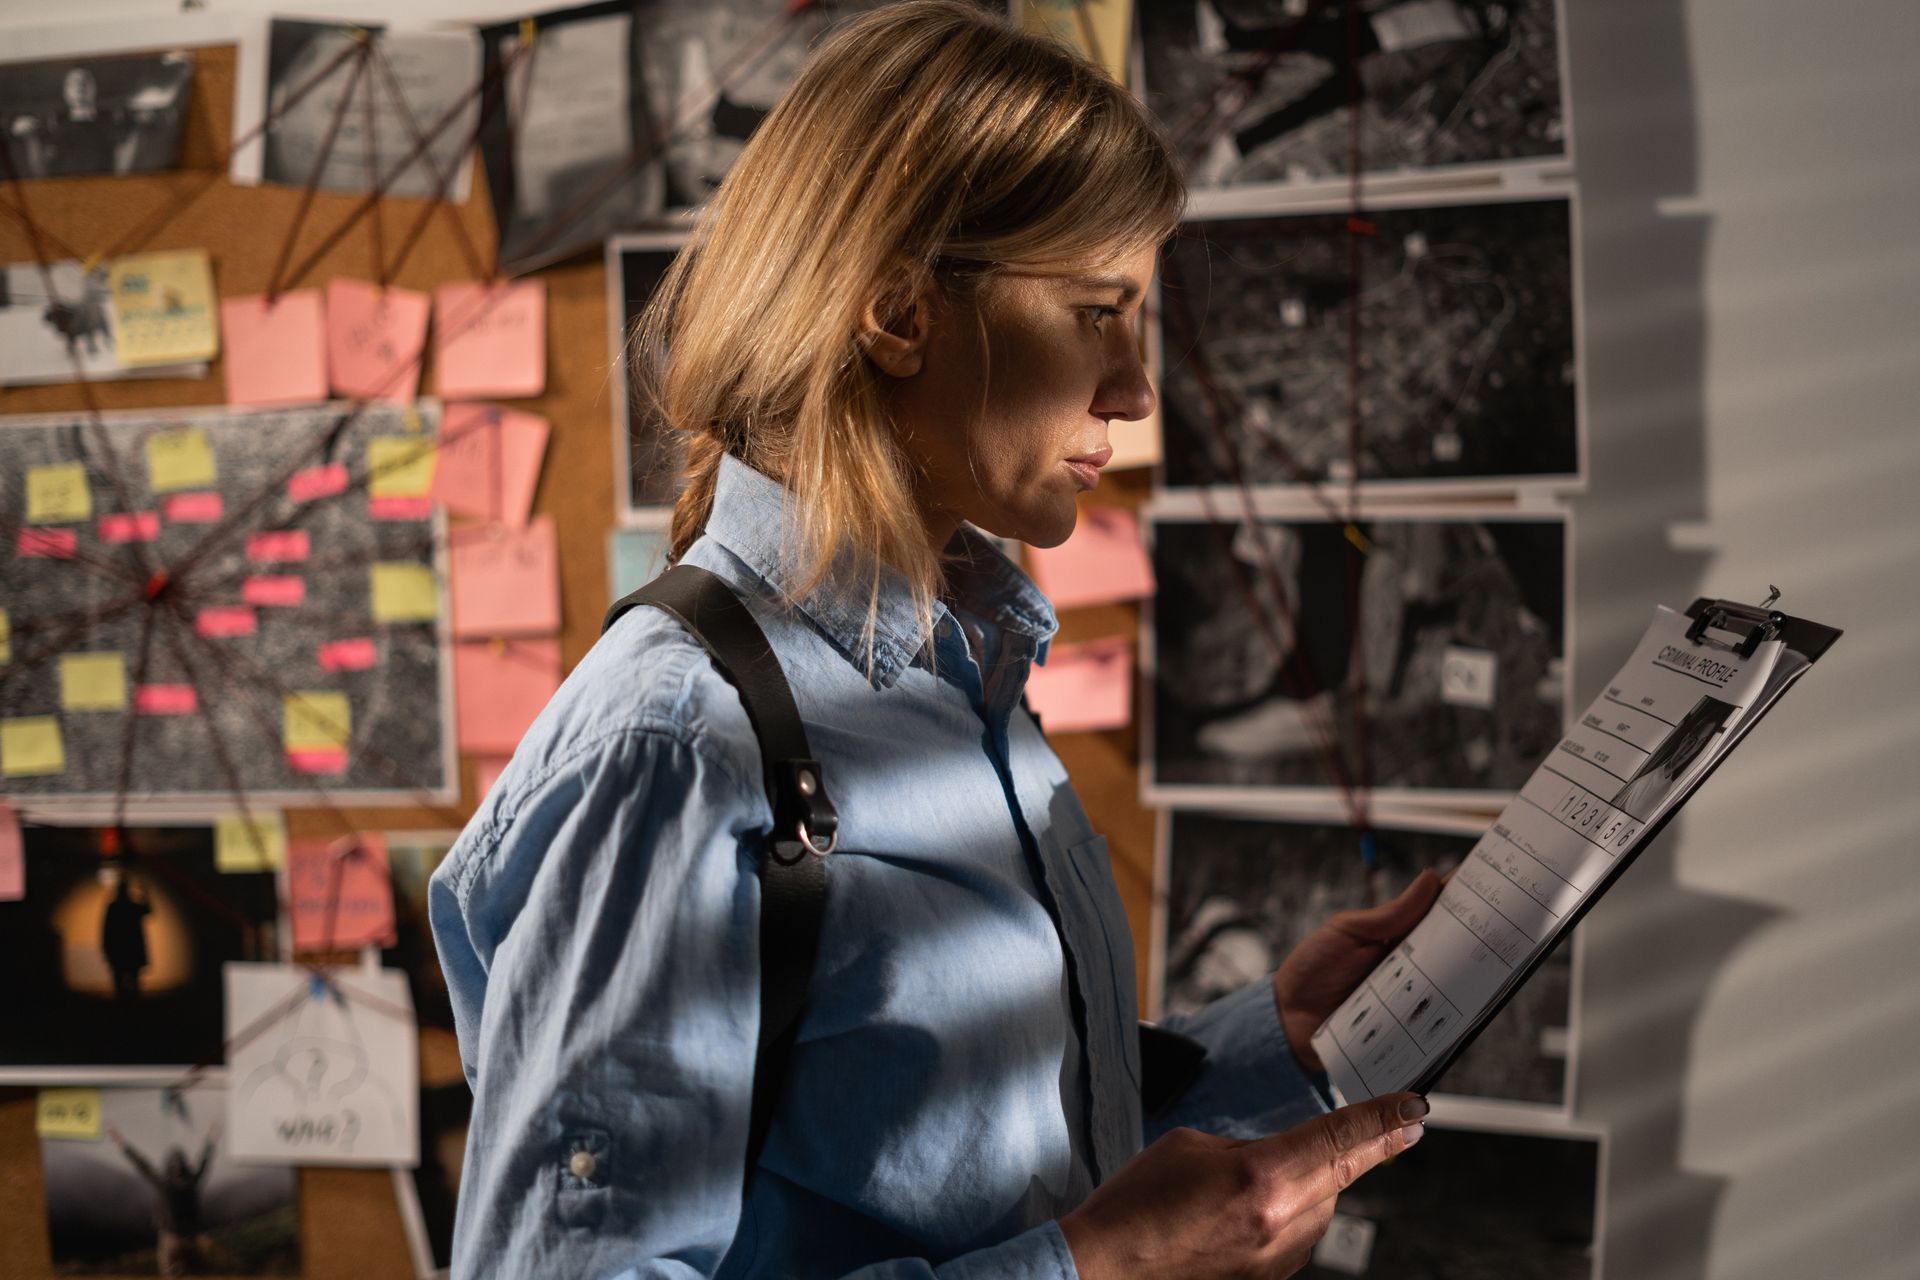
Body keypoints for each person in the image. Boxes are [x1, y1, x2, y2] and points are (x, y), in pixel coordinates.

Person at [429, 4, 1440, 1276]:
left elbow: (943, 1153)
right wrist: (1098, 1267)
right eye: (1094, 311)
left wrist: (1269, 1045)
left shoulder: (959, 668)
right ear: (900, 313)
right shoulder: (676, 743)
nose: (1131, 389)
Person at [107, 1119, 220, 1277]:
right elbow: (203, 1162)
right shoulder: (193, 1181)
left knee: (169, 1274)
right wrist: (211, 1140)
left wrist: (121, 1143)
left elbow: (142, 1164)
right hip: (192, 1239)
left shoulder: (163, 1184)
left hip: (170, 1239)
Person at [101, 870, 152, 1003]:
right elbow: (148, 910)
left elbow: (106, 931)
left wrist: (107, 950)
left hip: (119, 952)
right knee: (132, 986)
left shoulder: (114, 908)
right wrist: (144, 892)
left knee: (121, 986)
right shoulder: (131, 907)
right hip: (130, 951)